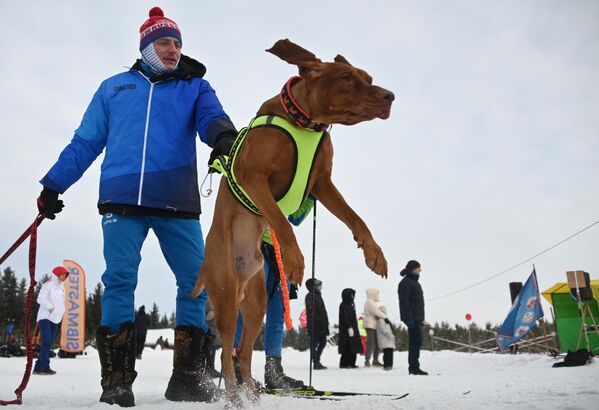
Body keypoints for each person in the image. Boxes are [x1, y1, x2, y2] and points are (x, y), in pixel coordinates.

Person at [35, 7, 238, 406]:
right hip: (121, 199)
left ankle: (187, 378)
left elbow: (213, 119)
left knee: (197, 283)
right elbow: (85, 142)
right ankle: (116, 381)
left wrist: (224, 139)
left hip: (177, 200)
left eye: (178, 44)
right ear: (146, 45)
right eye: (164, 42)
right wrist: (53, 185)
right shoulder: (114, 88)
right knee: (120, 281)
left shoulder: (195, 86)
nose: (173, 50)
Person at [233, 197, 316, 389]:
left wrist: (311, 197)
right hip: (254, 244)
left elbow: (294, 217)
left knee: (277, 311)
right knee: (247, 308)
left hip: (280, 250)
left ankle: (274, 371)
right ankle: (237, 368)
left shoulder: (289, 185)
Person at [33, 266, 69, 375]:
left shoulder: (62, 287)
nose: (64, 277)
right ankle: (45, 367)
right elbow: (40, 298)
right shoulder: (48, 285)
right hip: (45, 317)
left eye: (65, 275)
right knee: (47, 340)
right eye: (62, 274)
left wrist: (61, 311)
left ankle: (38, 367)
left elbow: (60, 302)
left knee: (49, 342)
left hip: (55, 318)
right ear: (57, 274)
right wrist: (50, 307)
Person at [398, 260, 428, 375]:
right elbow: (404, 302)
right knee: (415, 342)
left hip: (416, 318)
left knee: (417, 342)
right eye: (418, 268)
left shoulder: (413, 282)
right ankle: (414, 368)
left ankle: (414, 367)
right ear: (412, 269)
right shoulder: (406, 282)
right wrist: (409, 319)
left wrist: (420, 319)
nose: (420, 270)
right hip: (411, 318)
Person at [305, 278, 329, 370]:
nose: (321, 287)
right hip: (315, 325)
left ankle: (317, 359)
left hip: (322, 325)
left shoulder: (318, 296)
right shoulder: (310, 296)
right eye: (319, 285)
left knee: (323, 342)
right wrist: (316, 322)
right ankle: (316, 361)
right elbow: (311, 313)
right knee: (314, 344)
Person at [338, 288, 362, 369]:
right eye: (351, 295)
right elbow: (345, 317)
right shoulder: (343, 305)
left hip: (353, 328)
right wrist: (349, 327)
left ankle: (352, 363)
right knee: (347, 347)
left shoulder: (351, 304)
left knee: (353, 347)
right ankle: (344, 363)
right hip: (346, 330)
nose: (352, 297)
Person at [363, 288, 387, 367]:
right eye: (377, 293)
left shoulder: (373, 302)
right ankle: (367, 360)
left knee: (377, 343)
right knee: (371, 343)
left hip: (374, 325)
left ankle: (375, 360)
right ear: (373, 294)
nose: (378, 295)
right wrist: (385, 317)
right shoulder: (369, 302)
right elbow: (376, 312)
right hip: (370, 326)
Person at [376, 306, 395, 371]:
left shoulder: (385, 319)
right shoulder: (380, 320)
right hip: (385, 339)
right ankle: (387, 365)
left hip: (388, 339)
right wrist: (389, 334)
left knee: (390, 352)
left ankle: (390, 365)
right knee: (387, 353)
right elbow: (382, 329)